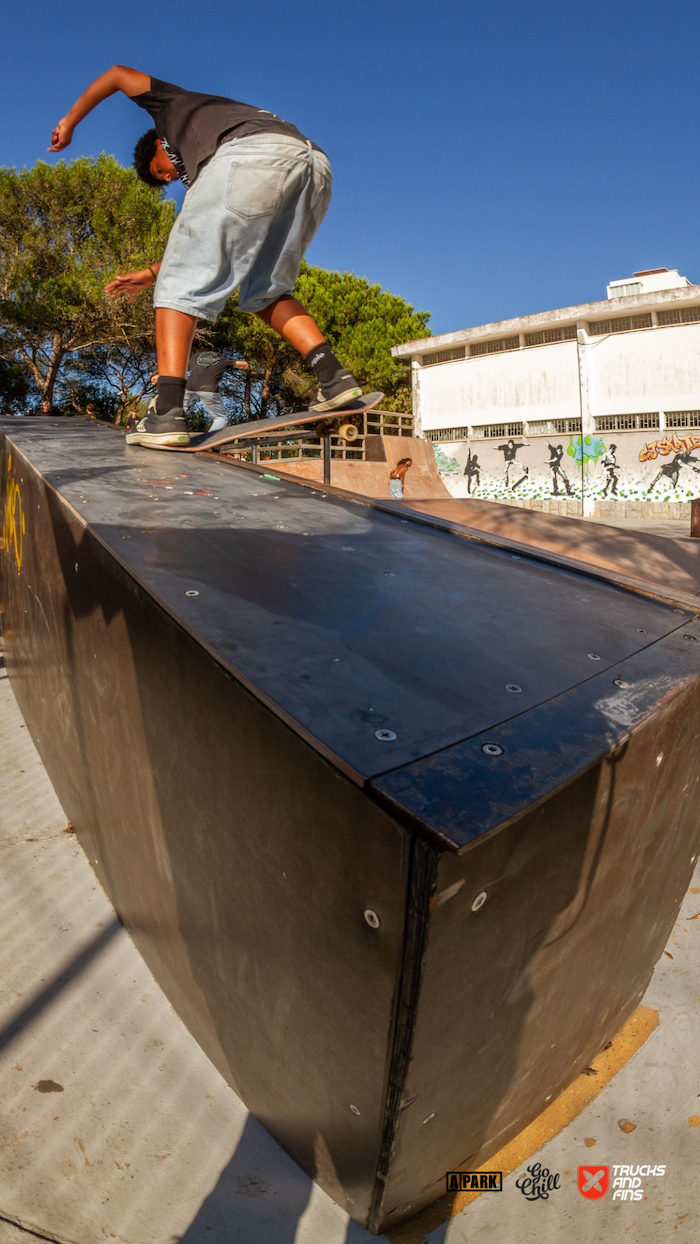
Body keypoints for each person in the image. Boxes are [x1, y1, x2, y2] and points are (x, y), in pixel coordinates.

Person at [48, 66, 362, 449]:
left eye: (160, 172)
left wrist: (70, 121)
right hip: (312, 166)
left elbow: (116, 75)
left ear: (159, 146)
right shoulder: (210, 157)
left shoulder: (170, 109)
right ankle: (333, 376)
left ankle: (165, 412)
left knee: (178, 286)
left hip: (250, 155)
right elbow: (213, 249)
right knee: (265, 290)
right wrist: (151, 271)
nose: (169, 179)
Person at [184, 350, 250, 433]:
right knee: (220, 418)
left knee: (180, 409)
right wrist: (245, 366)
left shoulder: (195, 357)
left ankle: (173, 429)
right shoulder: (221, 360)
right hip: (208, 389)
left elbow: (182, 366)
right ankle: (209, 441)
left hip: (189, 387)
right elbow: (243, 363)